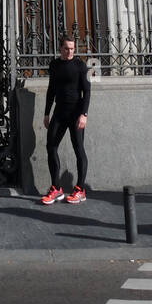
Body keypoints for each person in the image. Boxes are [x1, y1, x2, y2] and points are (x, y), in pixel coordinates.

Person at [41, 36, 91, 205]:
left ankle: (80, 189)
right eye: (66, 48)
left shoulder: (80, 66)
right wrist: (46, 113)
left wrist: (84, 115)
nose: (70, 52)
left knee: (79, 149)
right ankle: (56, 188)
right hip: (59, 112)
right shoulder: (54, 65)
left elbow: (87, 92)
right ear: (60, 48)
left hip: (76, 113)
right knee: (51, 146)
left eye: (72, 49)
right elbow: (51, 90)